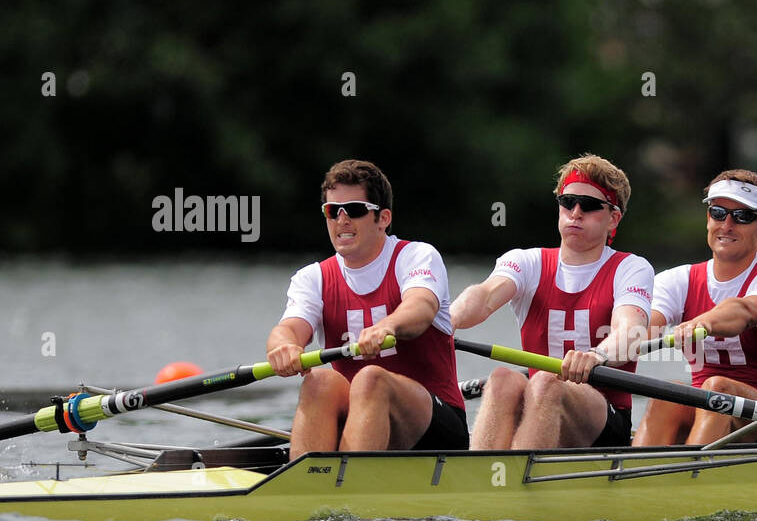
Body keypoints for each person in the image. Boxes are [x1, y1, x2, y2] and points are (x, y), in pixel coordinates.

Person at [450, 153, 653, 449]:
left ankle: (519, 486)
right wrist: (447, 320)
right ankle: (483, 480)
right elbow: (483, 297)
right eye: (568, 202)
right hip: (540, 404)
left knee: (546, 382)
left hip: (604, 419)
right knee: (503, 378)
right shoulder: (526, 261)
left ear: (614, 218)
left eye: (591, 205)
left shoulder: (631, 268)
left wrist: (597, 355)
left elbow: (630, 333)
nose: (576, 212)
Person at [266, 159, 467, 457]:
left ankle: (347, 490)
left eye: (356, 210)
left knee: (371, 379)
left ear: (383, 218)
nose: (342, 220)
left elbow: (421, 307)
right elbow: (288, 330)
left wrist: (389, 325)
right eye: (333, 211)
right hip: (359, 425)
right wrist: (284, 347)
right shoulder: (313, 278)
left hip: (436, 428)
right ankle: (307, 488)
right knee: (319, 380)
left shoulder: (416, 257)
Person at [633, 169, 757, 446]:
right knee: (668, 394)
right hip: (709, 413)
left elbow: (744, 312)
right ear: (708, 219)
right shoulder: (677, 280)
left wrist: (701, 323)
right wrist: (615, 343)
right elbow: (642, 325)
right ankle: (635, 479)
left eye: (742, 217)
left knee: (718, 387)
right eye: (718, 213)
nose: (727, 225)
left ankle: (690, 475)